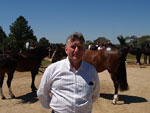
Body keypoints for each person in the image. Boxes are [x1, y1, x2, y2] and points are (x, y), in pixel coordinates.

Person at [37, 32, 100, 113]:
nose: (76, 50)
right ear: (66, 50)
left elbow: (95, 94)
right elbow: (42, 92)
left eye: (80, 47)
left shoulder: (91, 70)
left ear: (84, 51)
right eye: (73, 47)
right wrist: (55, 107)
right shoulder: (53, 69)